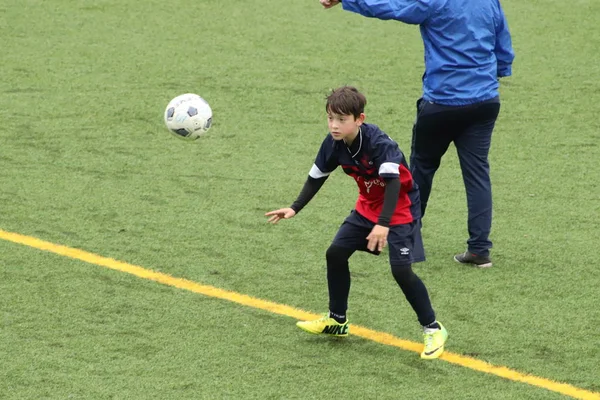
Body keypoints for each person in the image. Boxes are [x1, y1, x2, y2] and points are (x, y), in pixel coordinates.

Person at [319, 0, 515, 268]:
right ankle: (480, 249)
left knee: (420, 170)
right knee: (478, 173)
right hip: (485, 101)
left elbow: (392, 7)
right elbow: (503, 45)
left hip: (441, 104)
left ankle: (407, 240)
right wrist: (497, 74)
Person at [265, 86, 448, 359]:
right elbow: (317, 177)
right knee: (335, 253)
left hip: (399, 208)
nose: (334, 125)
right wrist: (294, 208)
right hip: (368, 207)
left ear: (359, 119)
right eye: (330, 118)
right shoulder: (333, 144)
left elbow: (395, 183)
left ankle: (433, 328)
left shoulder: (379, 144)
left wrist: (384, 224)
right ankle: (337, 320)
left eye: (341, 120)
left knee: (401, 271)